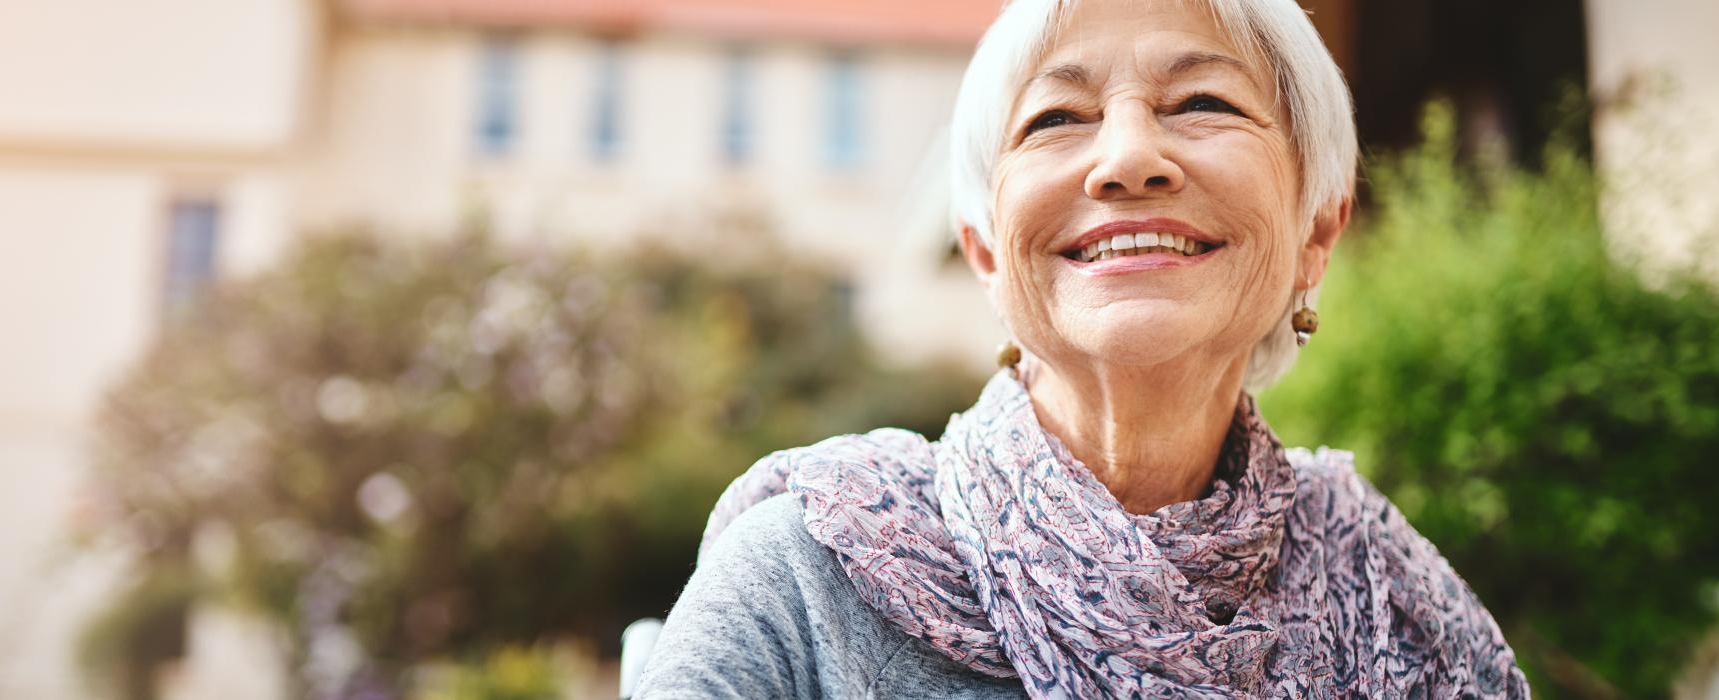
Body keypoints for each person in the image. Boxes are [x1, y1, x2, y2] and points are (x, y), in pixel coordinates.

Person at [635, 0, 1530, 696]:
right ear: (986, 250)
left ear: (1316, 233)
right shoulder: (803, 575)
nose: (1128, 157)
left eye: (1204, 101)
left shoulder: (1398, 607)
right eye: (1058, 117)